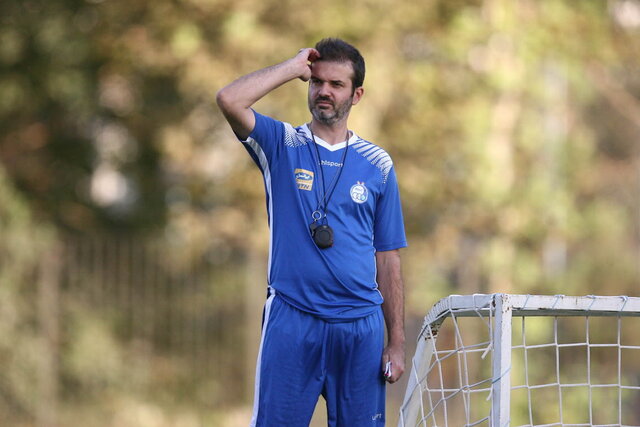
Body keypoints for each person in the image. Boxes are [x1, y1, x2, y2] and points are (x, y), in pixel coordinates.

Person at [216, 38, 407, 426]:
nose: (324, 91)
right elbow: (229, 100)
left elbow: (388, 257)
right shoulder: (282, 144)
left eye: (337, 84)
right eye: (317, 81)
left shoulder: (378, 164)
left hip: (360, 328)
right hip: (293, 320)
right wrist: (292, 68)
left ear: (356, 95)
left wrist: (397, 342)